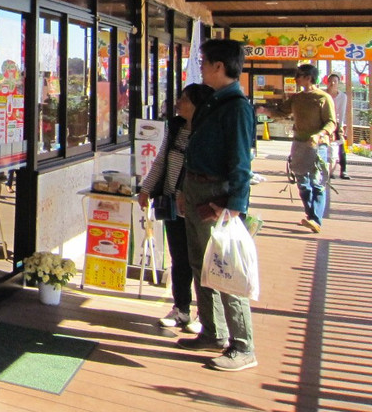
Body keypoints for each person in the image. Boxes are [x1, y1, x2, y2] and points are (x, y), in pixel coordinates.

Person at [177, 39, 257, 372]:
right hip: (196, 187)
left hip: (216, 195)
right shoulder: (214, 101)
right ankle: (212, 331)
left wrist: (232, 206)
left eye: (204, 61)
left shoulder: (236, 106)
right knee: (201, 264)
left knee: (225, 269)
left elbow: (241, 162)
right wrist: (184, 189)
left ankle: (243, 346)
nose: (201, 66)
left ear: (219, 67)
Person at [138, 82, 213, 333]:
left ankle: (206, 315)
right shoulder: (176, 127)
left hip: (197, 205)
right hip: (172, 203)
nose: (178, 102)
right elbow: (161, 159)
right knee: (179, 258)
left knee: (201, 261)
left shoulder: (207, 132)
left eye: (184, 99)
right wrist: (147, 188)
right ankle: (181, 308)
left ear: (197, 105)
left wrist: (184, 193)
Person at [263, 64, 337, 232]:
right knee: (303, 182)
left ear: (309, 77)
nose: (296, 78)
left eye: (299, 75)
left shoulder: (323, 97)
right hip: (299, 143)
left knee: (317, 182)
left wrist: (320, 134)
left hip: (318, 145)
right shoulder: (296, 98)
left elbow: (331, 122)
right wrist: (264, 110)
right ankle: (311, 215)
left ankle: (315, 219)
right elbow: (281, 111)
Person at [326, 73, 350, 179]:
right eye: (330, 81)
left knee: (341, 145)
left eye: (335, 81)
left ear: (338, 83)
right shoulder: (323, 94)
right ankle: (327, 169)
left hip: (336, 122)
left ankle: (343, 170)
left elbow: (342, 111)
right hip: (324, 122)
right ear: (327, 82)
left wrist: (340, 126)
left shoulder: (342, 96)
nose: (332, 83)